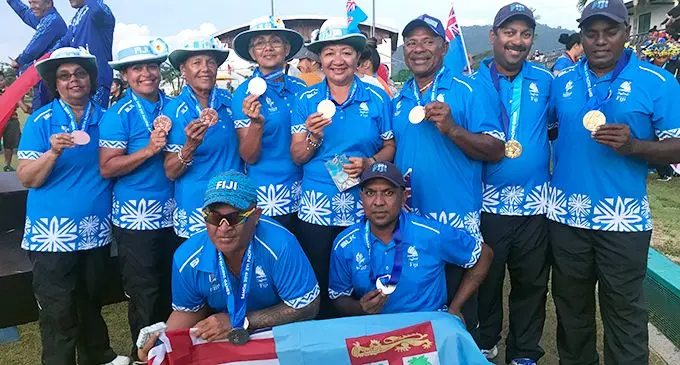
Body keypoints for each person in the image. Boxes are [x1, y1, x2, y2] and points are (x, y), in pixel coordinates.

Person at [549, 1, 680, 363]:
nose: (601, 41)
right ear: (582, 37)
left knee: (624, 316)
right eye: (592, 33)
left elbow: (677, 147)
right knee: (571, 315)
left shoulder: (658, 82)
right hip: (566, 219)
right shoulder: (562, 83)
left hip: (623, 222)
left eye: (611, 32)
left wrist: (635, 145)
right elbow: (543, 130)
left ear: (626, 34)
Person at [392, 14, 504, 338]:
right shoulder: (398, 99)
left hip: (454, 221)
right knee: (416, 311)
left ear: (444, 47)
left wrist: (453, 129)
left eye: (428, 41)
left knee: (457, 316)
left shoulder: (470, 90)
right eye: (412, 42)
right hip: (411, 222)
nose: (419, 49)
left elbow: (496, 148)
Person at [16, 47, 127, 365]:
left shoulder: (107, 120)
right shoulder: (42, 121)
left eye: (80, 73)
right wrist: (51, 153)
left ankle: (97, 354)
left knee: (91, 298)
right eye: (64, 76)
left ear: (91, 80)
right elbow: (27, 178)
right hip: (52, 234)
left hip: (95, 230)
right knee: (57, 306)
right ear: (55, 84)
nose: (73, 80)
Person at [136, 171, 320, 362]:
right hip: (228, 339)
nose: (224, 228)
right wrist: (160, 345)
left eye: (234, 217)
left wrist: (242, 321)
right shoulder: (187, 258)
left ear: (256, 215)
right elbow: (188, 312)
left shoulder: (281, 245)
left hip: (280, 338)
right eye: (214, 217)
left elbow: (308, 307)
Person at [291, 17, 395, 318]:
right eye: (329, 53)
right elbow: (298, 156)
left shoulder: (376, 97)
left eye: (346, 52)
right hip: (316, 208)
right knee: (319, 283)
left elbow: (390, 147)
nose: (338, 60)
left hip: (362, 206)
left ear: (357, 57)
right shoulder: (306, 98)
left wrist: (370, 163)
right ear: (320, 58)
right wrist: (313, 137)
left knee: (360, 280)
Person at [470, 4, 554, 364]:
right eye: (509, 33)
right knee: (486, 280)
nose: (517, 41)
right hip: (486, 204)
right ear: (493, 37)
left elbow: (556, 128)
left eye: (524, 34)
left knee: (532, 284)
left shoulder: (546, 81)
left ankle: (523, 351)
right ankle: (486, 341)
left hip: (535, 206)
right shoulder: (472, 84)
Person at [98, 38, 179, 362]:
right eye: (136, 69)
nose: (145, 74)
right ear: (125, 75)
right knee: (145, 293)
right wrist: (148, 150)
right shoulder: (119, 114)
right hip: (136, 220)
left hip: (174, 213)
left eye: (151, 67)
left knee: (175, 289)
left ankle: (175, 353)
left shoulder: (173, 106)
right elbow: (107, 167)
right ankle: (144, 355)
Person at [329, 161, 493, 319]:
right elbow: (338, 297)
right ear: (362, 197)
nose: (378, 202)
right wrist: (360, 308)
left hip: (427, 329)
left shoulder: (431, 233)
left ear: (404, 196)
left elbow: (484, 254)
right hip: (374, 332)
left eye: (388, 193)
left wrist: (455, 308)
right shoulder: (345, 244)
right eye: (371, 193)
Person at [231, 16, 307, 233]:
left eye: (275, 41)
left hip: (304, 191)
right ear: (252, 52)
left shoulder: (300, 87)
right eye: (260, 43)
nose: (268, 48)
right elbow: (249, 156)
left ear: (287, 48)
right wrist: (256, 124)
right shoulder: (244, 94)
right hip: (268, 197)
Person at [163, 38, 243, 239]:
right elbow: (171, 172)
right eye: (196, 63)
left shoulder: (231, 101)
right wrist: (189, 146)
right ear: (183, 70)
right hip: (196, 204)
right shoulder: (173, 111)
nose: (205, 68)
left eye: (211, 62)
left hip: (233, 201)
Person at [6, 0, 67, 110]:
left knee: (43, 115)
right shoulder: (44, 18)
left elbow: (35, 46)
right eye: (30, 3)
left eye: (35, 2)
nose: (32, 6)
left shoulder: (52, 20)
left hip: (52, 79)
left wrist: (19, 61)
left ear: (48, 3)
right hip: (44, 79)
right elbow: (24, 12)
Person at [55, 0, 115, 109]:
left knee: (94, 121)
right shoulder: (75, 19)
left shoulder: (100, 10)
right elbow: (63, 44)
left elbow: (98, 11)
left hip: (97, 82)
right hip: (76, 82)